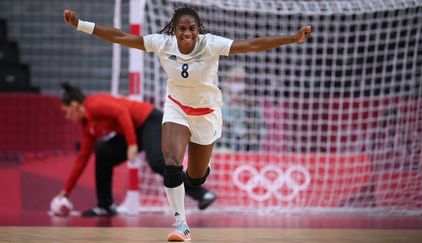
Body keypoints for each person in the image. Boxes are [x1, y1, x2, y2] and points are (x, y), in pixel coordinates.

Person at [63, 7, 311, 241]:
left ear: (198, 29)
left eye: (192, 28)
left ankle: (201, 169)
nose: (187, 33)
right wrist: (81, 25)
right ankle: (181, 225)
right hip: (176, 108)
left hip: (207, 114)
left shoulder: (210, 44)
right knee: (171, 164)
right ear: (174, 30)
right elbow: (121, 36)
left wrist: (292, 38)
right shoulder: (163, 44)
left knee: (195, 178)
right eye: (182, 29)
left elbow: (252, 45)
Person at [54, 83, 217, 217]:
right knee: (103, 152)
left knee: (157, 162)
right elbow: (81, 160)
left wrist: (131, 144)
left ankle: (202, 194)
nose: (67, 116)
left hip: (149, 120)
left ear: (74, 105)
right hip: (134, 130)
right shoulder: (88, 126)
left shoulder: (93, 104)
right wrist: (66, 191)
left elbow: (122, 112)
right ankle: (105, 205)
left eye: (65, 111)